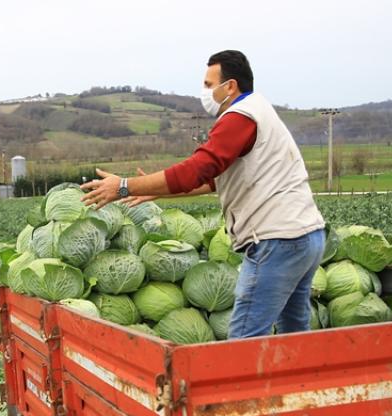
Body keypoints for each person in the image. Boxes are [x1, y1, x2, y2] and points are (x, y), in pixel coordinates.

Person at [82, 49, 325, 338]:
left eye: (209, 85)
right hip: (307, 235)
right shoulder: (260, 110)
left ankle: (244, 384)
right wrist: (158, 192)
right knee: (295, 331)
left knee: (244, 339)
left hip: (276, 240)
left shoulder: (240, 117)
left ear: (230, 86)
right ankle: (296, 383)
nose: (205, 92)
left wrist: (124, 186)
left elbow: (198, 169)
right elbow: (215, 180)